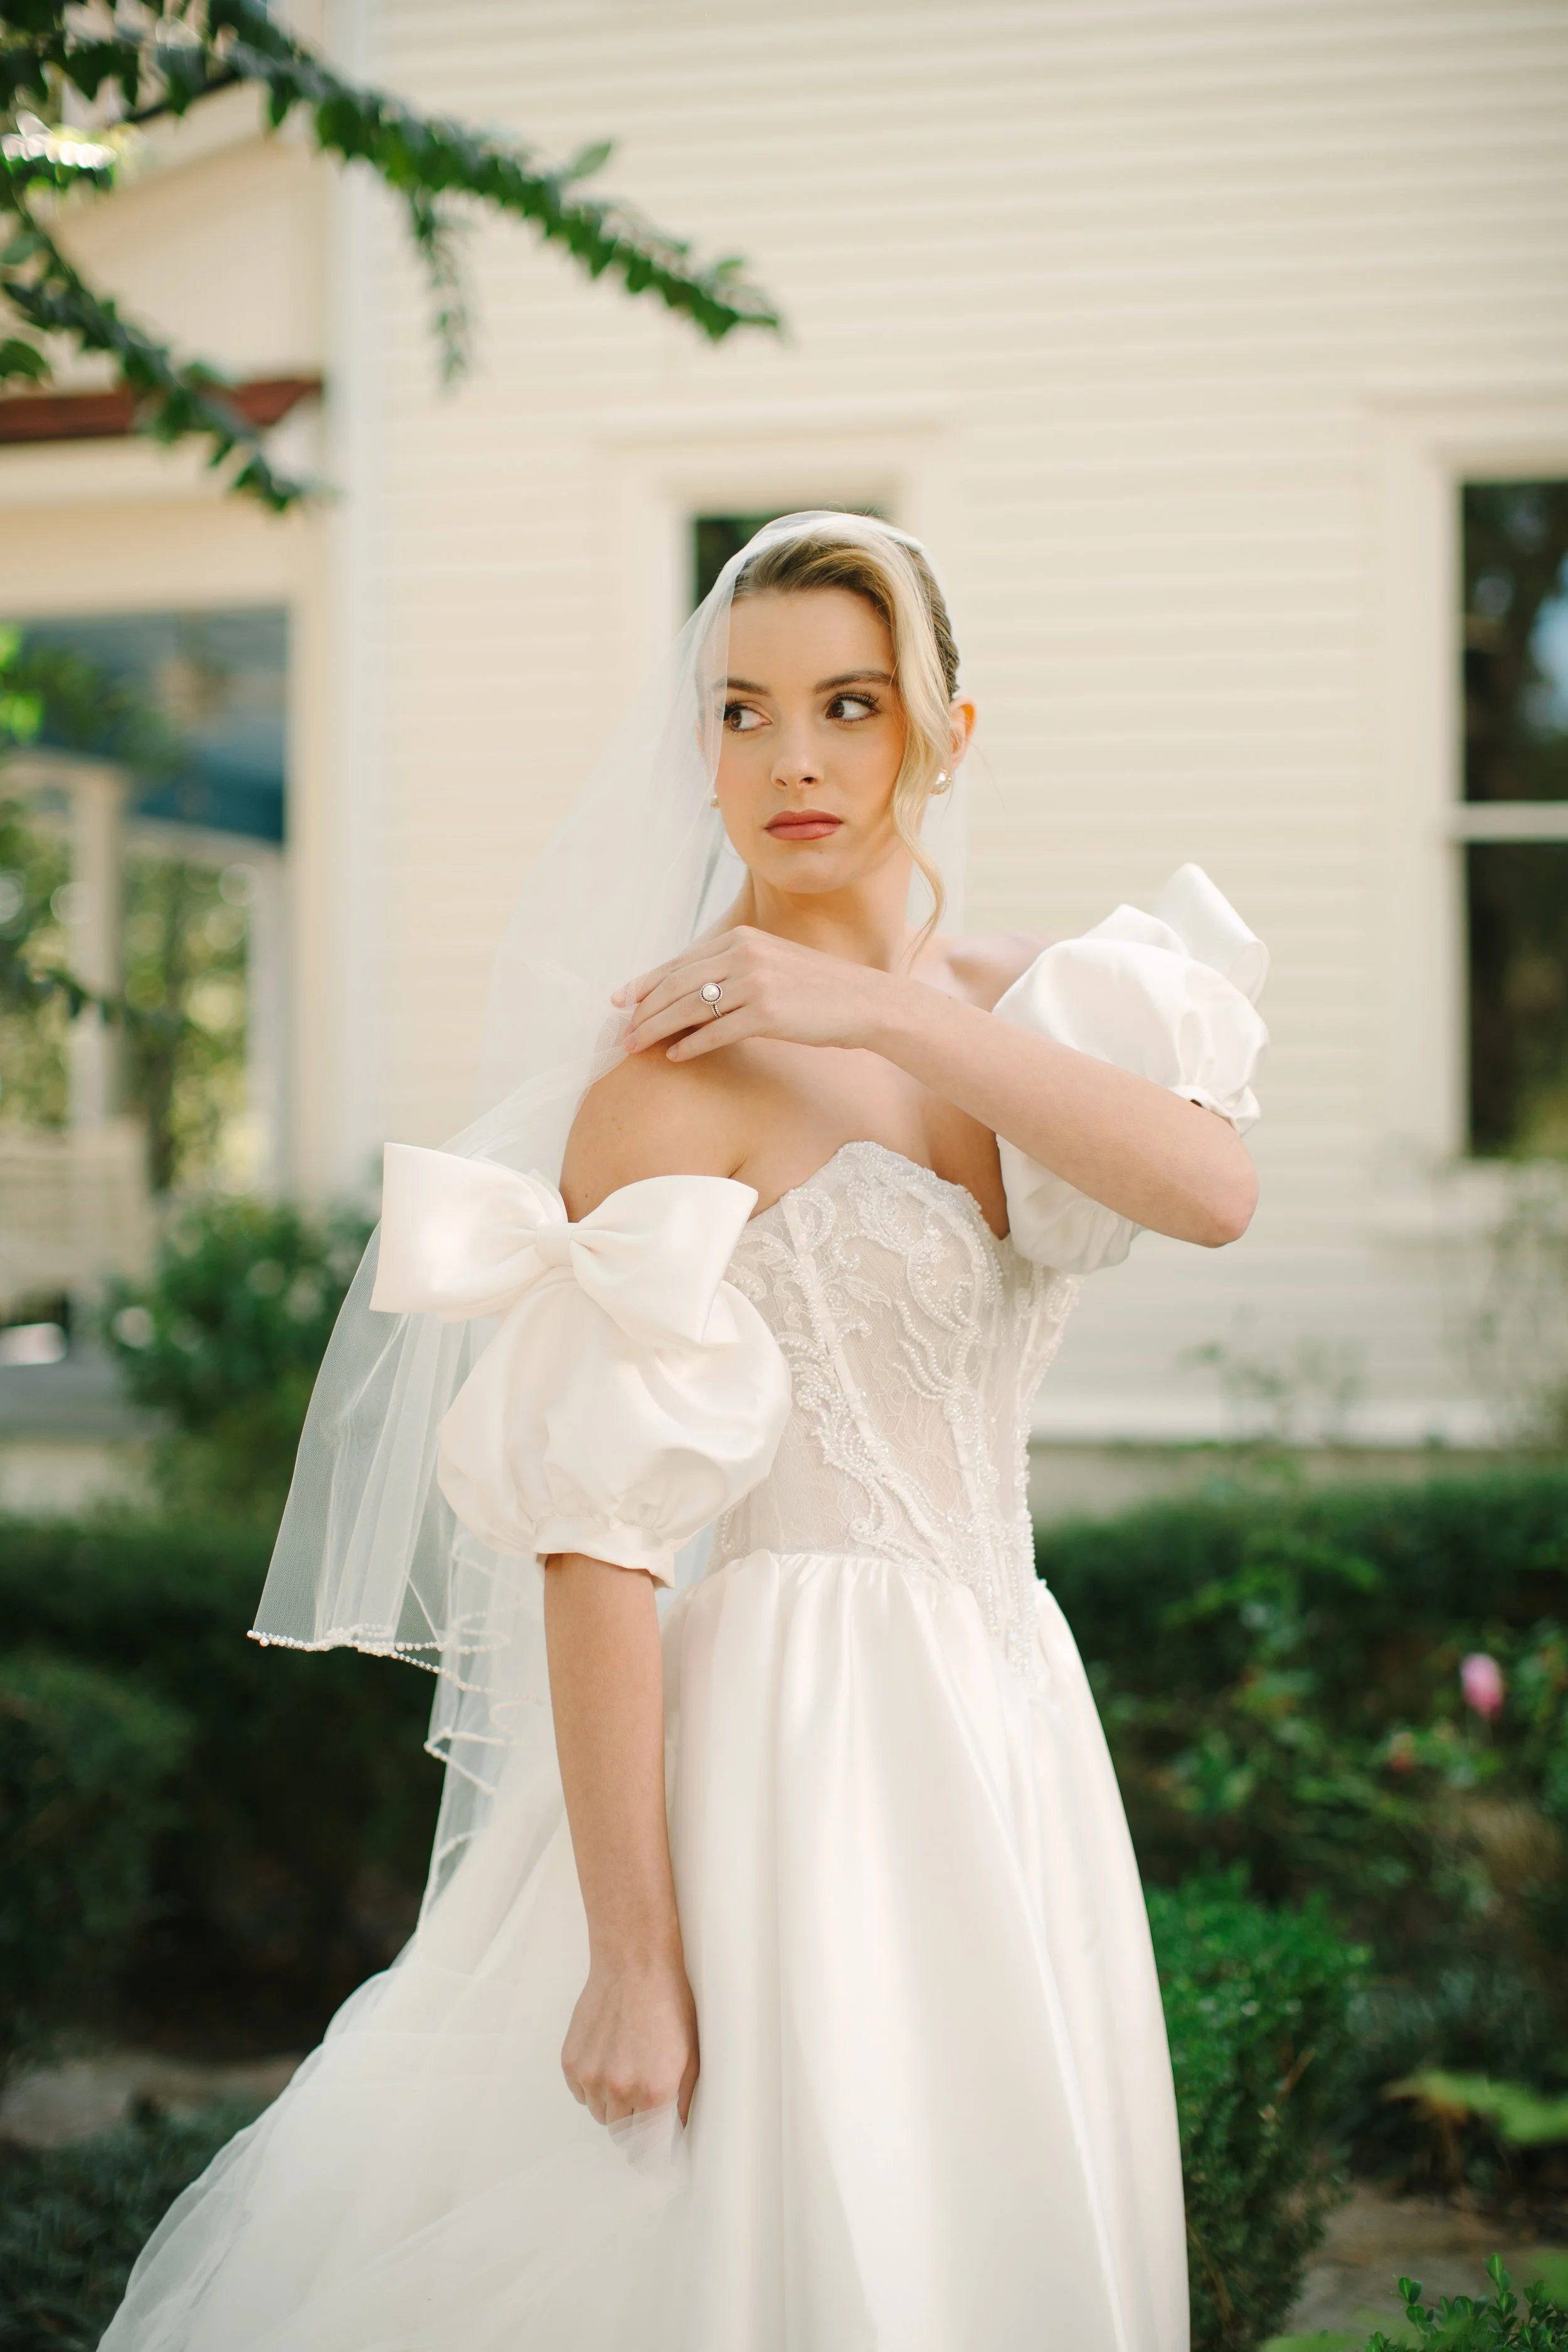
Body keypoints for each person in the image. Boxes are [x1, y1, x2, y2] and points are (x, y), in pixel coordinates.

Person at [101, 514, 1268, 2352]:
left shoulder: (1037, 1009)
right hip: (791, 1735)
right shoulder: (669, 1075)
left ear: (949, 732)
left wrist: (880, 1002)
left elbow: (1210, 1188)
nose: (791, 759)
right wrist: (634, 1960)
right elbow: (597, 1539)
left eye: (847, 705)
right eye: (742, 712)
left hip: (1005, 1704)